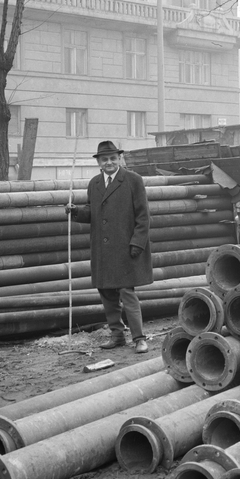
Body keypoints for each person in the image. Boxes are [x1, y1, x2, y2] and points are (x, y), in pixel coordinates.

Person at [67, 140, 152, 352]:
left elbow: (143, 216)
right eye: (104, 159)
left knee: (127, 292)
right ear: (99, 162)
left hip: (126, 247)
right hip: (102, 250)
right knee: (106, 293)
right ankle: (117, 336)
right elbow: (92, 212)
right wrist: (76, 211)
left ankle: (139, 338)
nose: (109, 162)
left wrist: (137, 243)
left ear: (119, 159)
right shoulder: (94, 184)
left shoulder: (133, 180)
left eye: (113, 158)